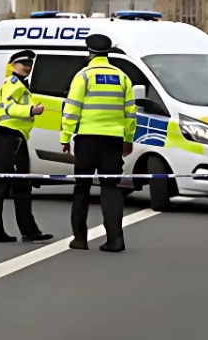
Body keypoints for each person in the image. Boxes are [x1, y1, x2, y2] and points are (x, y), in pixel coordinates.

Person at [61, 33, 136, 253]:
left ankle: (80, 239)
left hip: (87, 139)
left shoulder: (83, 76)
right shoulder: (122, 77)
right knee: (111, 188)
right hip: (113, 140)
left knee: (82, 187)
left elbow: (72, 108)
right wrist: (128, 139)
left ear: (90, 53)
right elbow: (130, 113)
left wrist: (65, 137)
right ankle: (115, 239)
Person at [0, 50, 54, 244]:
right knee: (20, 184)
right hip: (11, 136)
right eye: (23, 62)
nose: (27, 66)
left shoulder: (21, 85)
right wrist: (31, 110)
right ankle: (27, 230)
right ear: (13, 64)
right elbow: (9, 107)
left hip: (10, 137)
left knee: (4, 184)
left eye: (30, 63)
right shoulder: (12, 84)